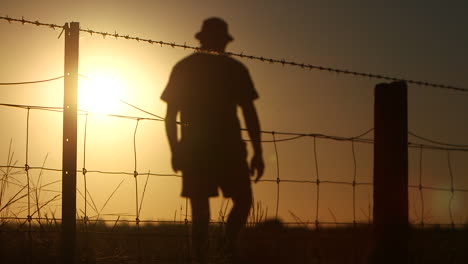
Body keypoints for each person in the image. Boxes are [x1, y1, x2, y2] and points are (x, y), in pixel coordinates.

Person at [161, 17, 264, 263]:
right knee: (233, 202)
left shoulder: (185, 67)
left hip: (202, 150)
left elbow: (170, 115)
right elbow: (249, 113)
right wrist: (257, 152)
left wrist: (176, 149)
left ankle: (215, 251)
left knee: (205, 210)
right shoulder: (234, 69)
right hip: (224, 149)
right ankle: (223, 248)